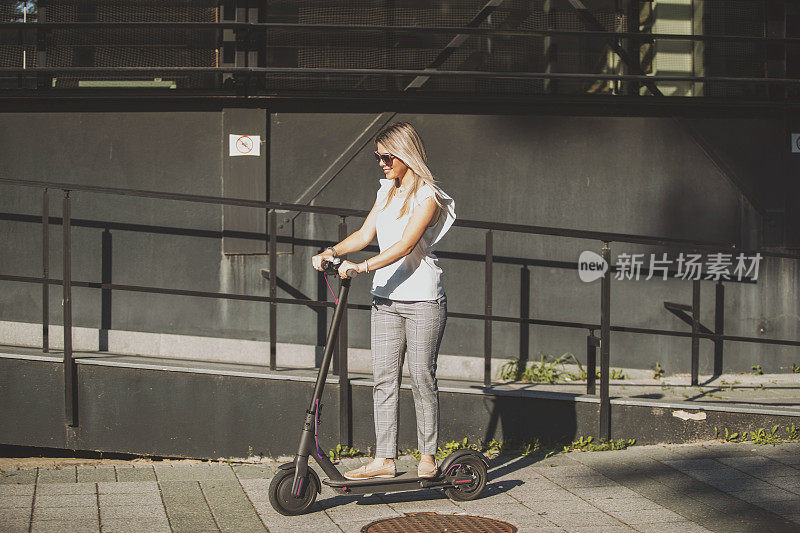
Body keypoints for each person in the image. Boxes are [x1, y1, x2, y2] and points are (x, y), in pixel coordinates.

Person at [311, 121, 456, 480]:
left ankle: (427, 456)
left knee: (422, 377)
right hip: (386, 299)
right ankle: (385, 460)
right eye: (378, 156)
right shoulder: (386, 191)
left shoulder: (429, 196)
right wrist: (330, 251)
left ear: (406, 154)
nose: (382, 163)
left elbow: (406, 244)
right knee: (384, 379)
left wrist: (362, 268)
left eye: (387, 156)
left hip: (423, 299)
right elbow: (363, 234)